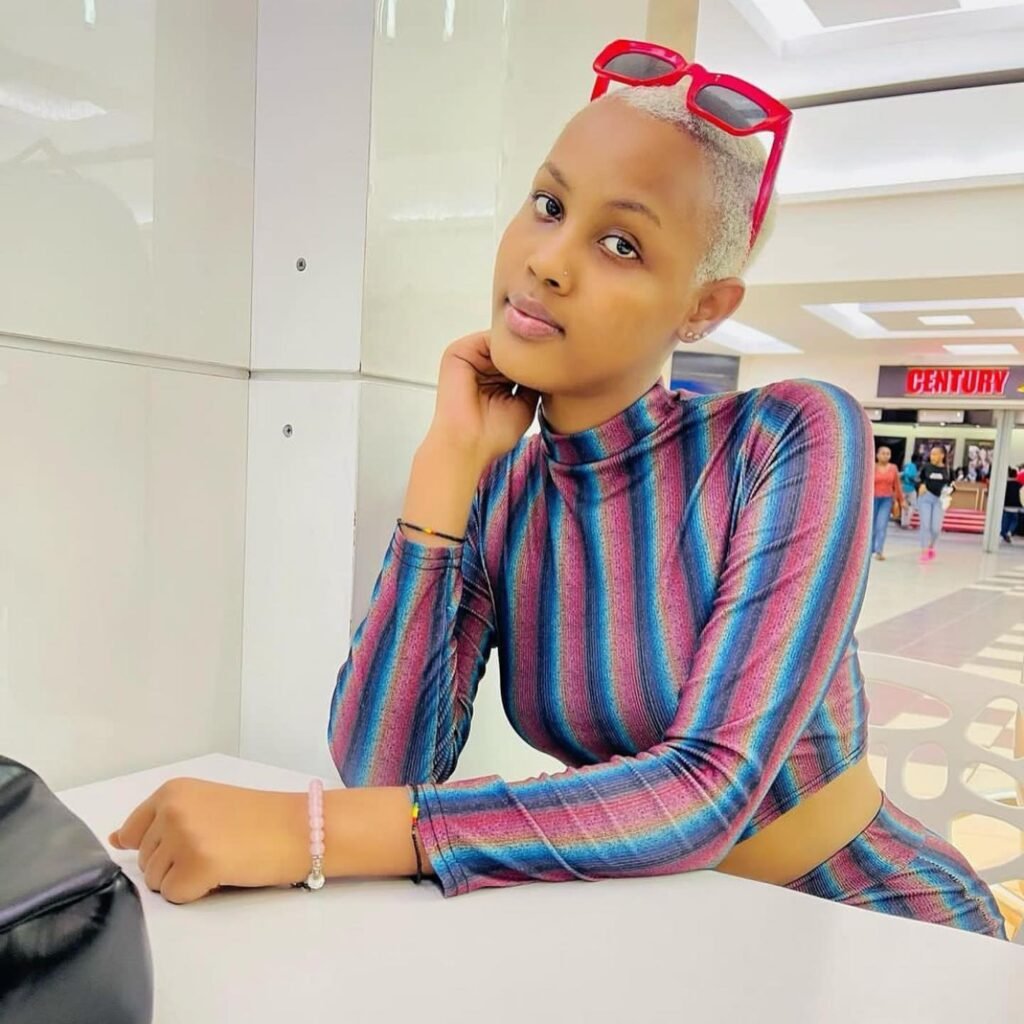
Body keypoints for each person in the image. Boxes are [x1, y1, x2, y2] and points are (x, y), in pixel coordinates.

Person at [109, 40, 1005, 940]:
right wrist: (446, 471)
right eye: (548, 204)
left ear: (704, 306)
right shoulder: (504, 492)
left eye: (621, 243)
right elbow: (384, 770)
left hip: (868, 927)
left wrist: (307, 833)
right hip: (645, 934)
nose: (548, 261)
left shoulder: (788, 435)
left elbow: (707, 790)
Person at [918, 446, 955, 564]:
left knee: (936, 528)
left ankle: (931, 546)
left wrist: (949, 492)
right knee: (925, 525)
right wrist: (920, 485)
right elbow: (918, 479)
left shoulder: (948, 470)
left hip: (939, 500)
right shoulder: (926, 467)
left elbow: (953, 485)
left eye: (935, 454)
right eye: (931, 454)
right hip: (926, 498)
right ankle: (924, 551)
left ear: (942, 455)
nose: (932, 456)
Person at [872, 446, 902, 559]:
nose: (885, 456)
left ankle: (879, 551)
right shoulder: (872, 467)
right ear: (877, 455)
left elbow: (897, 485)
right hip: (872, 500)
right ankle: (870, 549)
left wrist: (901, 500)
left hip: (886, 500)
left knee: (881, 525)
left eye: (888, 454)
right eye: (883, 453)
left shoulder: (893, 468)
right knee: (871, 526)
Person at [1002, 466, 1022, 544]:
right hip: (1016, 506)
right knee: (1014, 521)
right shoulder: (1019, 484)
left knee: (1005, 520)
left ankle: (1004, 533)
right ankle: (1009, 532)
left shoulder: (1005, 484)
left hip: (1007, 505)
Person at [900, 458, 920, 529]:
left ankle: (903, 523)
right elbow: (914, 478)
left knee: (904, 505)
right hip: (911, 489)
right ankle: (907, 523)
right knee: (913, 505)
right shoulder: (915, 467)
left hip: (903, 488)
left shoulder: (907, 466)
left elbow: (902, 476)